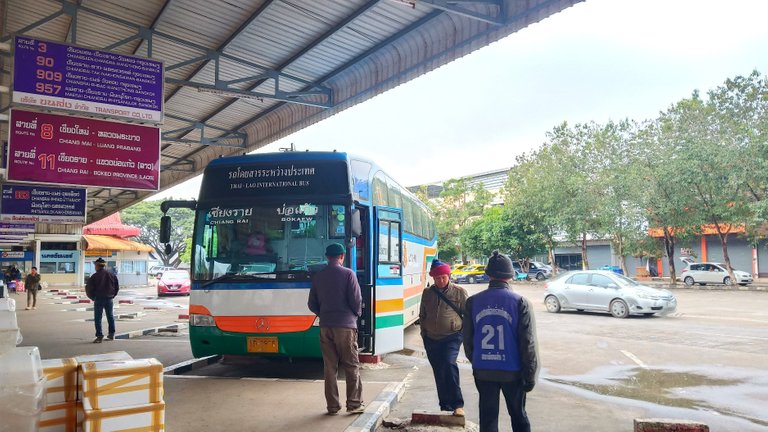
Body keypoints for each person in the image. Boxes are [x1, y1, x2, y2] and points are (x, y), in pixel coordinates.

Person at [464, 251, 539, 432]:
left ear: (488, 274)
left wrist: (479, 361)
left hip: (483, 372)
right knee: (519, 416)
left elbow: (467, 341)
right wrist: (529, 376)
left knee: (488, 419)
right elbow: (527, 344)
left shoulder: (473, 302)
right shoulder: (520, 302)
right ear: (510, 276)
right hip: (512, 372)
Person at [307, 243, 365, 415]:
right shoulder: (348, 274)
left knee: (330, 367)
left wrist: (323, 314)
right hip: (345, 327)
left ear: (327, 257)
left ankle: (332, 406)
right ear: (342, 256)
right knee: (351, 364)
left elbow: (311, 304)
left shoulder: (318, 276)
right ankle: (354, 404)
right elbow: (356, 301)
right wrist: (355, 315)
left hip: (325, 326)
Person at [419, 259, 468, 416]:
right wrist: (424, 334)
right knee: (439, 370)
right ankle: (445, 404)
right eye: (437, 278)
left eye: (443, 277)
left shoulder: (459, 292)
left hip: (452, 337)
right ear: (433, 278)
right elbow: (422, 314)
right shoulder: (427, 293)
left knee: (448, 364)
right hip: (431, 338)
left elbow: (467, 315)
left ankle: (458, 404)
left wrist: (465, 335)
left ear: (449, 276)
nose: (440, 281)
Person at [85, 258, 120, 343]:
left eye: (95, 266)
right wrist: (112, 295)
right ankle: (111, 334)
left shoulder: (94, 276)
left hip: (99, 299)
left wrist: (93, 298)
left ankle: (99, 336)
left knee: (98, 318)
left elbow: (88, 288)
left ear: (97, 266)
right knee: (110, 316)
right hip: (109, 299)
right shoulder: (111, 275)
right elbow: (116, 287)